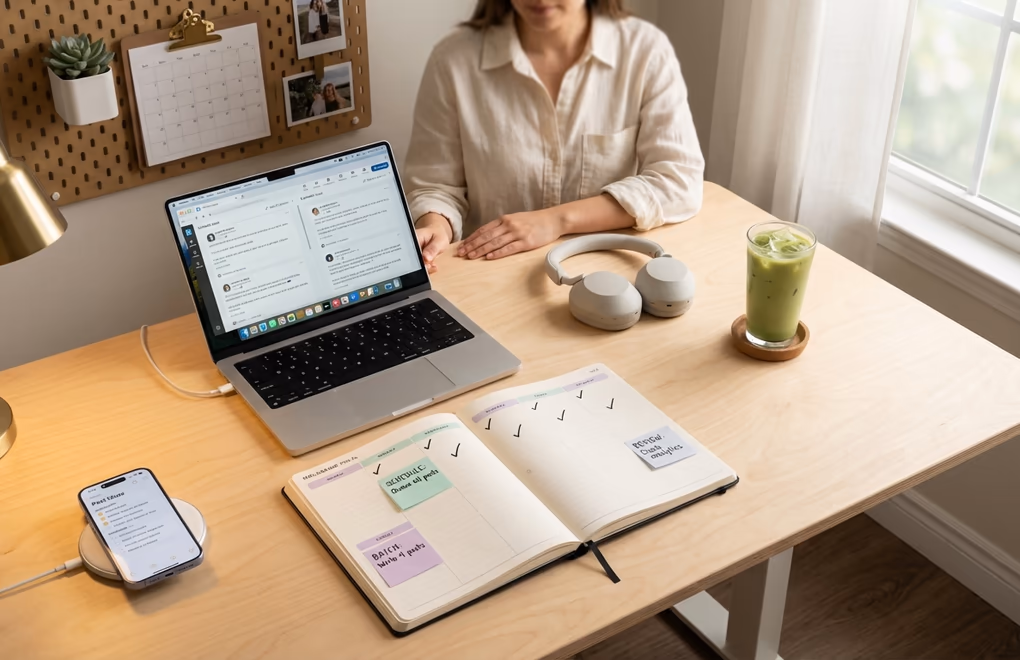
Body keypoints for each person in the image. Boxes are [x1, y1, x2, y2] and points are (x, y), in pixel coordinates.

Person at [406, 0, 704, 273]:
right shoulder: (452, 60)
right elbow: (435, 185)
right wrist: (436, 227)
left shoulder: (646, 51)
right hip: (491, 273)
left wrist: (556, 220)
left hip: (609, 275)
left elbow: (679, 180)